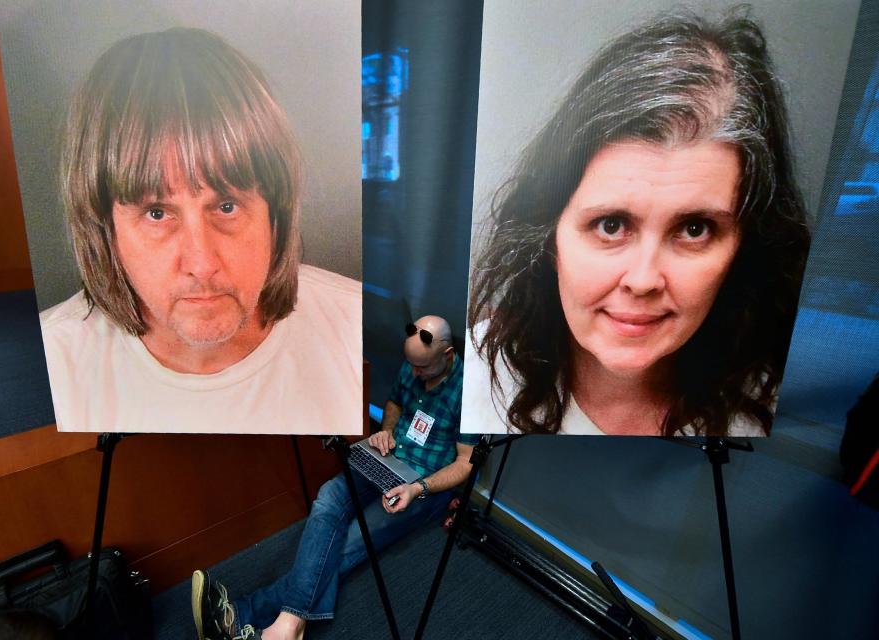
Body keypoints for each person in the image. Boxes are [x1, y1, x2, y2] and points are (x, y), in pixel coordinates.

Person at [464, 10, 810, 437]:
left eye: (695, 229)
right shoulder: (475, 378)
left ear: (743, 245)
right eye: (610, 225)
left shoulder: (776, 410)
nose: (643, 280)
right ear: (550, 237)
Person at [38, 28, 361, 434]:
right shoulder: (51, 366)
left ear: (275, 214)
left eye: (226, 206)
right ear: (105, 228)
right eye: (157, 213)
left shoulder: (353, 326)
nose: (202, 264)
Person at [191, 315, 483, 640]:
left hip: (422, 484)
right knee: (329, 497)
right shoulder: (414, 365)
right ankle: (285, 625)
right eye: (412, 366)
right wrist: (386, 431)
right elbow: (395, 402)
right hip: (388, 459)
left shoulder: (468, 392)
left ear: (447, 355)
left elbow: (466, 463)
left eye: (423, 368)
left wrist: (418, 488)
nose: (415, 373)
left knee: (343, 544)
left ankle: (255, 617)